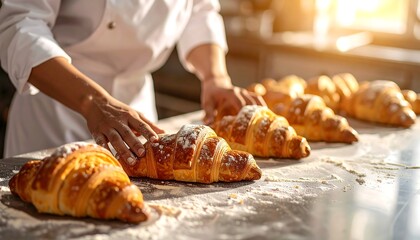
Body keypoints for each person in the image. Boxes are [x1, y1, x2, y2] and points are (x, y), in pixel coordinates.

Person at [0, 1, 265, 164]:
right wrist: (92, 101)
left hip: (138, 114)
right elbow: (21, 24)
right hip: (58, 107)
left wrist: (214, 77)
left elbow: (199, 9)